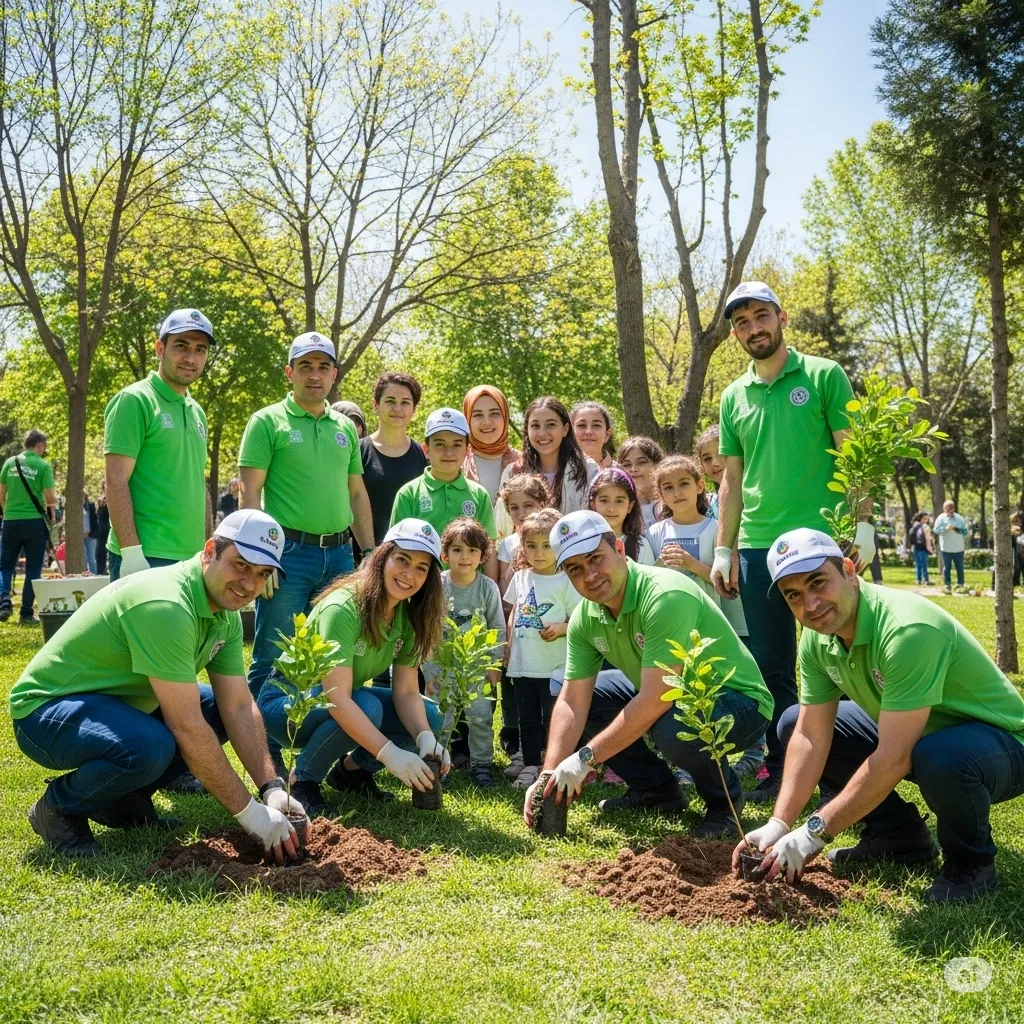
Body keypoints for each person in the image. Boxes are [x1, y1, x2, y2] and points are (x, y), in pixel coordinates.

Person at [737, 527, 1024, 902]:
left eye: (818, 582)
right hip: (921, 736)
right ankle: (899, 838)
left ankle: (971, 867)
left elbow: (893, 757)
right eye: (794, 595)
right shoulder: (819, 638)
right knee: (794, 723)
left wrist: (813, 833)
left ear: (848, 569)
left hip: (1002, 746)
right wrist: (780, 823)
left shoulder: (906, 629)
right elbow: (811, 735)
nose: (810, 604)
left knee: (938, 756)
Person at [9, 510, 307, 861]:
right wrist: (251, 814)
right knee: (151, 745)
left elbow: (238, 706)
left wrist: (271, 788)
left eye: (262, 574)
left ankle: (121, 798)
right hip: (45, 712)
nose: (249, 584)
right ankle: (57, 808)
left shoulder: (222, 613)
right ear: (210, 551)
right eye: (241, 565)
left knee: (213, 707)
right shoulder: (167, 605)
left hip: (115, 707)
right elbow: (186, 726)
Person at [711, 282, 867, 804]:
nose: (753, 328)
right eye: (741, 322)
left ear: (781, 317)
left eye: (761, 316)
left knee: (839, 655)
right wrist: (723, 548)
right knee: (772, 663)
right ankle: (784, 768)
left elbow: (855, 458)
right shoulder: (733, 396)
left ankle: (848, 770)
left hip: (822, 541)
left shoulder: (824, 375)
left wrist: (863, 526)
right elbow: (731, 480)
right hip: (757, 548)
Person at [523, 510, 773, 834]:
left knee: (674, 725)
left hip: (740, 702)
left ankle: (725, 805)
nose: (590, 575)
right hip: (675, 696)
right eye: (575, 569)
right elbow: (573, 700)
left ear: (620, 550)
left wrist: (584, 758)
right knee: (566, 688)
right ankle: (657, 790)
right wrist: (550, 772)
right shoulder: (586, 617)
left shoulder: (664, 595)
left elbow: (656, 699)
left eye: (596, 558)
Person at [239, 331, 375, 746]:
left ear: (334, 374)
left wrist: (369, 554)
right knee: (272, 656)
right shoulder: (266, 422)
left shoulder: (344, 429)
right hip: (287, 556)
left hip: (339, 557)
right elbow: (249, 494)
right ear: (290, 372)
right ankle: (265, 756)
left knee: (336, 656)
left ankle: (325, 746)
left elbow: (356, 493)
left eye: (322, 367)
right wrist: (259, 559)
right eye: (305, 366)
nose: (314, 376)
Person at [257, 518, 449, 813]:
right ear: (383, 557)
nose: (409, 574)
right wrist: (391, 755)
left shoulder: (407, 615)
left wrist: (425, 738)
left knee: (431, 716)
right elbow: (337, 699)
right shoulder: (344, 608)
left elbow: (407, 692)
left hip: (339, 698)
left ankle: (351, 772)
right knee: (367, 706)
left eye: (421, 568)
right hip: (285, 702)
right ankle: (303, 781)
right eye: (402, 560)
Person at [104, 309, 213, 582]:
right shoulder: (135, 400)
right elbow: (116, 480)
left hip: (192, 557)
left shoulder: (197, 411)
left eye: (200, 349)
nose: (190, 358)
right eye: (181, 346)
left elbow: (198, 483)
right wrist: (131, 553)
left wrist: (209, 548)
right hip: (146, 556)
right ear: (160, 348)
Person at [692, 436, 765, 780]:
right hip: (723, 605)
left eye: (720, 454)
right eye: (706, 458)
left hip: (752, 598)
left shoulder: (755, 494)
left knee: (759, 672)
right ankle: (729, 746)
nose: (714, 463)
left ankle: (758, 750)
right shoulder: (704, 505)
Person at [423, 518, 505, 788]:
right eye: (457, 550)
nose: (465, 557)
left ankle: (482, 764)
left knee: (481, 717)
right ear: (444, 554)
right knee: (441, 718)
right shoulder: (436, 585)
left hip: (476, 668)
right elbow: (425, 628)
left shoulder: (487, 588)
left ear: (483, 556)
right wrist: (428, 670)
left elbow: (496, 627)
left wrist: (494, 665)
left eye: (472, 550)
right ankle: (437, 763)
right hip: (442, 667)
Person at [503, 508, 582, 788]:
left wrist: (562, 628)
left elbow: (579, 619)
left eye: (547, 545)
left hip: (554, 667)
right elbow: (514, 613)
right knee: (527, 718)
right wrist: (509, 643)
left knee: (553, 717)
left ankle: (555, 763)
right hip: (524, 665)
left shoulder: (567, 580)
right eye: (531, 545)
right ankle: (530, 765)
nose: (538, 553)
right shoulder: (521, 577)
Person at [390, 407, 498, 580]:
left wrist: (492, 590)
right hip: (421, 590)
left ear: (467, 450)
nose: (449, 452)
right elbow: (396, 549)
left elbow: (489, 550)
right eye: (439, 444)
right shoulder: (408, 494)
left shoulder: (479, 495)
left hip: (469, 593)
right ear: (426, 449)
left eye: (457, 444)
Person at [495, 472, 553, 765]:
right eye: (514, 508)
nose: (520, 513)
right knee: (514, 686)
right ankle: (514, 738)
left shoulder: (552, 539)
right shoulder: (507, 544)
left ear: (543, 503)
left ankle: (548, 745)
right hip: (514, 619)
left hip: (546, 627)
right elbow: (502, 582)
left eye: (528, 505)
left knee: (546, 693)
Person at [498, 397, 599, 517]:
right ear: (527, 430)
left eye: (550, 425)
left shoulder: (588, 470)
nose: (542, 433)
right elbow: (502, 524)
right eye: (535, 426)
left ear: (565, 429)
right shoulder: (513, 472)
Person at [360, 372, 428, 545]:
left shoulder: (421, 454)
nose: (398, 408)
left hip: (408, 554)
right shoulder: (359, 451)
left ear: (414, 409)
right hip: (363, 554)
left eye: (405, 403)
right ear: (376, 405)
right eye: (390, 401)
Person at [0, 430, 57, 624]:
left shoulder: (9, 463)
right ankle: (25, 613)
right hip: (34, 522)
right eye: (44, 447)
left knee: (5, 565)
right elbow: (51, 499)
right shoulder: (42, 465)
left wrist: (9, 512)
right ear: (40, 445)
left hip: (10, 521)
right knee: (33, 568)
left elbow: (1, 495)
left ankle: (4, 601)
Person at [462, 385, 521, 506]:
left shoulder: (523, 463)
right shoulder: (457, 462)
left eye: (494, 414)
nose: (487, 422)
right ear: (468, 420)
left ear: (505, 417)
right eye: (478, 415)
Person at [587, 467, 656, 565]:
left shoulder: (640, 546)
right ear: (593, 504)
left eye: (619, 501)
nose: (611, 508)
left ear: (630, 506)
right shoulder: (581, 542)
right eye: (604, 501)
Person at [618, 435, 665, 527]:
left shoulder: (670, 499)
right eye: (627, 465)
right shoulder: (621, 505)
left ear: (657, 464)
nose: (633, 469)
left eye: (641, 462)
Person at [933, 499, 968, 590]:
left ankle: (961, 584)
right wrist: (945, 528)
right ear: (944, 509)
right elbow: (936, 530)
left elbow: (965, 532)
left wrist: (956, 529)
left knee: (959, 567)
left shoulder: (959, 518)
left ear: (954, 508)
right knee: (947, 568)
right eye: (948, 509)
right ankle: (947, 584)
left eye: (951, 508)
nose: (950, 511)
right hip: (946, 548)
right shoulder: (941, 518)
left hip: (958, 547)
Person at [571, 401, 617, 470]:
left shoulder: (623, 473)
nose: (588, 432)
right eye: (581, 425)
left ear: (607, 435)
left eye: (596, 425)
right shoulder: (557, 471)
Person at [909, 511, 933, 585]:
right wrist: (930, 548)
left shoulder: (915, 525)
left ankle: (918, 579)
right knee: (924, 564)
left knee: (918, 564)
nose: (926, 520)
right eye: (925, 519)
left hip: (916, 547)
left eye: (927, 519)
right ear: (921, 518)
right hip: (923, 548)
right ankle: (926, 580)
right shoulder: (925, 526)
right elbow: (927, 538)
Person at [83, 491, 99, 575]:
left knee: (91, 559)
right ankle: (84, 575)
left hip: (91, 536)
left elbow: (95, 521)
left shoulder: (91, 506)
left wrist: (94, 533)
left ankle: (94, 575)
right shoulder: (74, 507)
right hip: (80, 537)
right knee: (83, 559)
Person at [95, 486, 110, 576]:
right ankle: (100, 572)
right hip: (101, 531)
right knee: (100, 553)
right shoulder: (101, 500)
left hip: (110, 530)